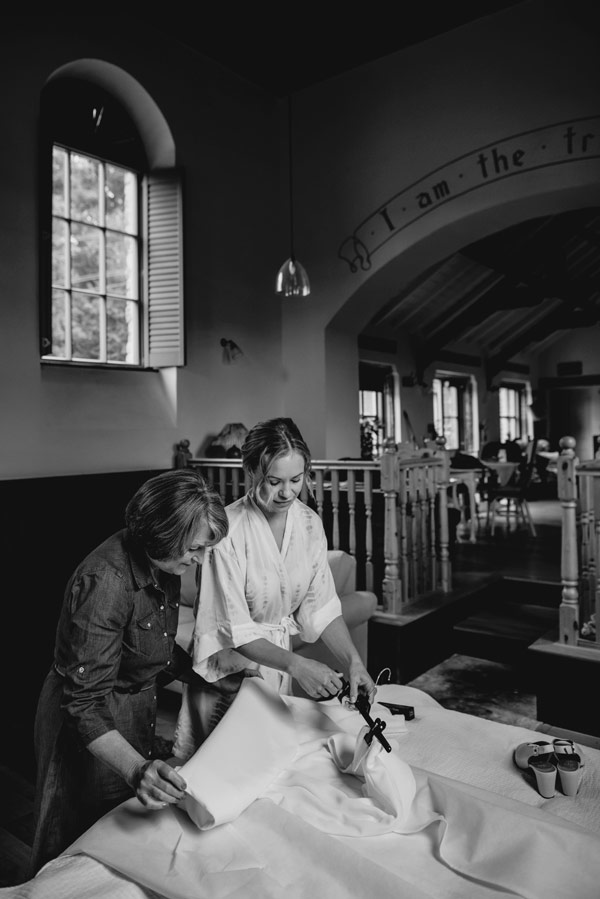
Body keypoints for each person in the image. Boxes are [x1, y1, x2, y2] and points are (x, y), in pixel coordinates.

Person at [30, 469, 240, 874]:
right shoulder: (105, 583)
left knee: (118, 834)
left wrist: (212, 677)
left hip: (132, 706)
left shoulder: (165, 564)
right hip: (86, 720)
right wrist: (136, 769)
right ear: (164, 536)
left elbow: (155, 648)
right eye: (194, 549)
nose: (199, 560)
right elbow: (84, 704)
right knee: (72, 839)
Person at [173, 417, 377, 760]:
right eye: (274, 481)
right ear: (251, 470)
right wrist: (297, 665)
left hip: (277, 670)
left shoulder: (309, 524)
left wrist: (353, 661)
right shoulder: (227, 532)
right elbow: (231, 628)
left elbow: (322, 606)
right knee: (219, 771)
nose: (287, 492)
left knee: (270, 769)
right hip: (227, 676)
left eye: (296, 480)